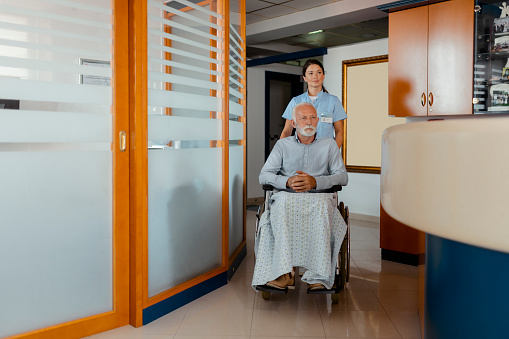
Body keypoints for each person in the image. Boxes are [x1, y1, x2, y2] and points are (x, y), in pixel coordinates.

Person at [253, 102, 348, 290]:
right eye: (303, 117)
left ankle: (319, 274)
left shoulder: (329, 145)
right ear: (294, 123)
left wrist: (316, 182)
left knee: (321, 206)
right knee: (282, 205)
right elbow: (264, 175)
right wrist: (287, 181)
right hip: (287, 196)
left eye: (313, 117)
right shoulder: (282, 145)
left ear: (318, 121)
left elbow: (342, 176)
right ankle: (284, 273)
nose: (309, 121)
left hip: (320, 197)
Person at [280, 59, 347, 150]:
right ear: (304, 78)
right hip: (300, 153)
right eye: (311, 73)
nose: (315, 76)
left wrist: (332, 154)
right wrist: (282, 152)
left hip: (325, 154)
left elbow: (339, 131)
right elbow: (287, 131)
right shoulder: (296, 101)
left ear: (323, 75)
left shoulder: (333, 101)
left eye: (319, 72)